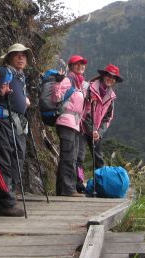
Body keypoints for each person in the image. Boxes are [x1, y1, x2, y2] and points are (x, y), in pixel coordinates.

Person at [0, 43, 33, 216]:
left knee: (17, 160)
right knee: (2, 161)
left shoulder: (20, 77)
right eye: (17, 55)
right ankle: (7, 203)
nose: (21, 57)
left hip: (17, 123)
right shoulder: (3, 72)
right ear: (9, 57)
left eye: (24, 55)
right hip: (1, 121)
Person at [76, 64, 124, 193]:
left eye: (114, 78)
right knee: (79, 156)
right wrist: (92, 130)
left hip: (96, 132)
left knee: (99, 159)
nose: (111, 79)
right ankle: (79, 183)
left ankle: (100, 185)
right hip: (82, 127)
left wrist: (99, 132)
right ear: (103, 75)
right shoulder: (90, 88)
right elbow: (84, 111)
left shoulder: (111, 96)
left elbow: (108, 117)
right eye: (109, 76)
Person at [53, 55, 89, 197]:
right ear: (71, 66)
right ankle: (68, 190)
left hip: (74, 123)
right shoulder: (68, 80)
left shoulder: (79, 83)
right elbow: (57, 97)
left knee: (69, 156)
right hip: (66, 121)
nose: (80, 66)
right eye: (77, 64)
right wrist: (58, 83)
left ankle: (62, 189)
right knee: (69, 156)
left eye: (82, 64)